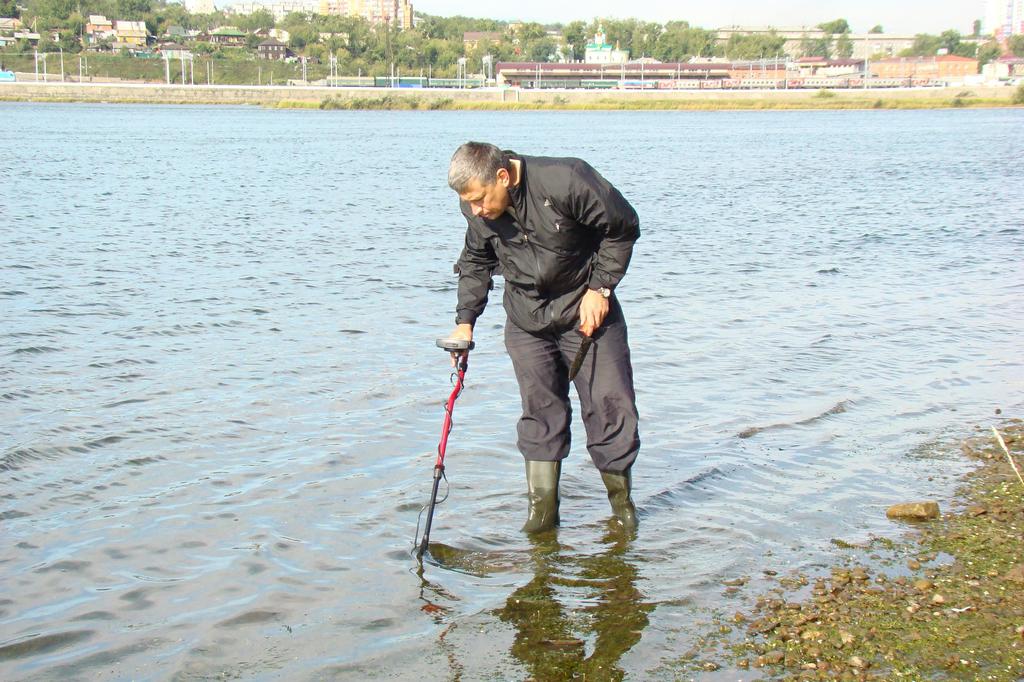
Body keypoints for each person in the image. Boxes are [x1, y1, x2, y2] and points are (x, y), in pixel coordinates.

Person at [443, 142, 641, 532]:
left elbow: (622, 227)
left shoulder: (566, 179)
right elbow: (476, 260)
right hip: (526, 319)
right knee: (540, 414)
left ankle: (622, 514)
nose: (477, 211)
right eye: (469, 205)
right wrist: (465, 321)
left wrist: (600, 289)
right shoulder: (478, 206)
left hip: (585, 313)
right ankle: (542, 519)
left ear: (502, 176)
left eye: (481, 200)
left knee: (610, 407)